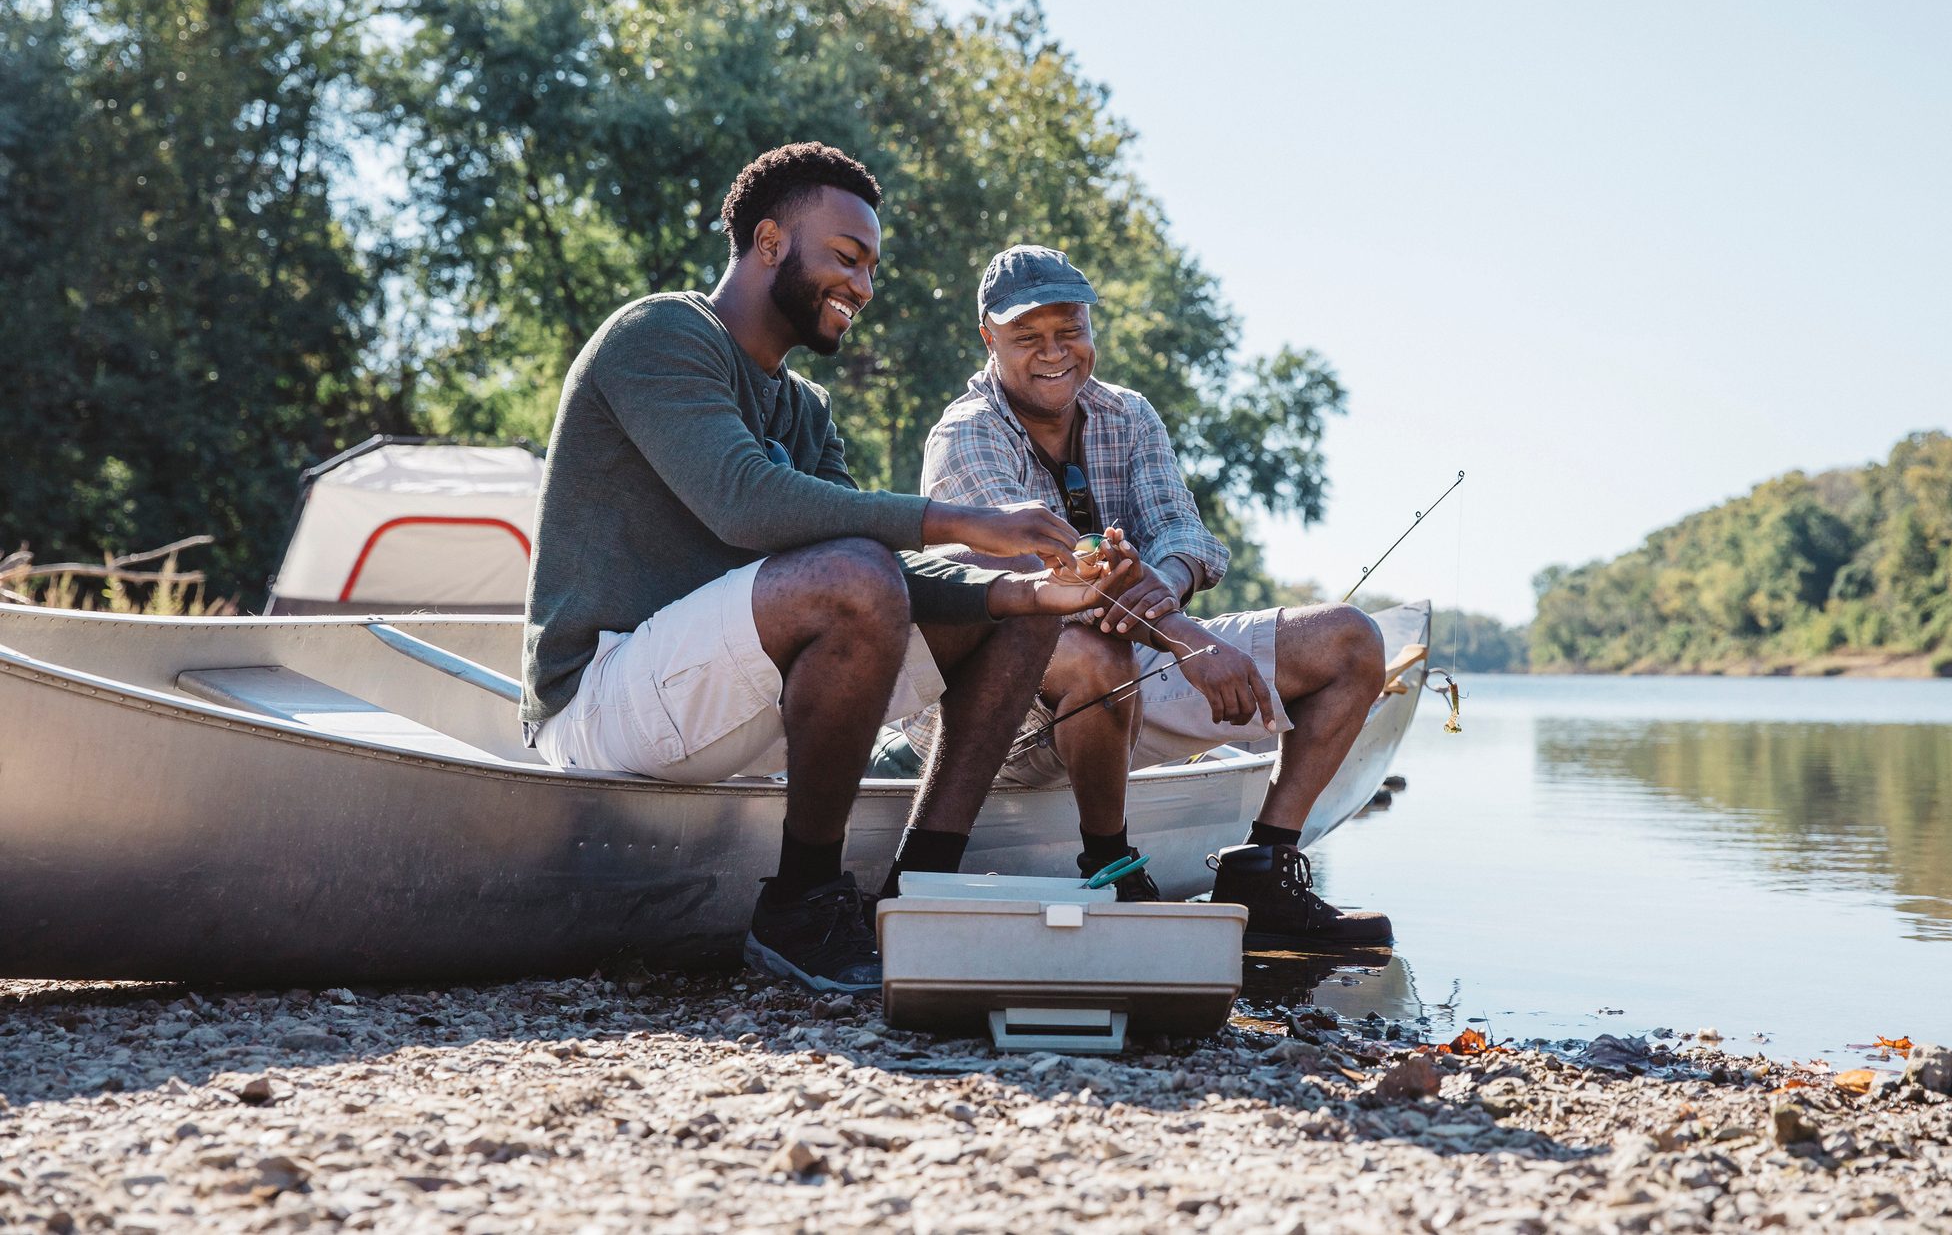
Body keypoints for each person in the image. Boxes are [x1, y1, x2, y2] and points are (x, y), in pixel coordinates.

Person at [521, 149, 1139, 994]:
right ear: (769, 241)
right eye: (846, 257)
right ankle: (803, 899)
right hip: (603, 702)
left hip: (733, 701)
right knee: (854, 572)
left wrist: (1028, 590)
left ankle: (923, 890)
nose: (865, 285)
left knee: (1012, 611)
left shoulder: (804, 408)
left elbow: (891, 570)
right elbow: (742, 501)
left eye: (873, 266)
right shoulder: (661, 335)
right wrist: (968, 521)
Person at [917, 244, 1392, 947]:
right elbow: (1054, 584)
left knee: (1350, 640)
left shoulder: (1127, 415)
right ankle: (1110, 864)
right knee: (1087, 653)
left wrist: (1160, 583)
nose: (1054, 353)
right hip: (998, 710)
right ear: (988, 338)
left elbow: (1185, 535)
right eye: (1027, 337)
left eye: (1069, 330)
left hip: (1132, 658)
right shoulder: (966, 433)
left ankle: (1263, 872)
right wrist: (1188, 639)